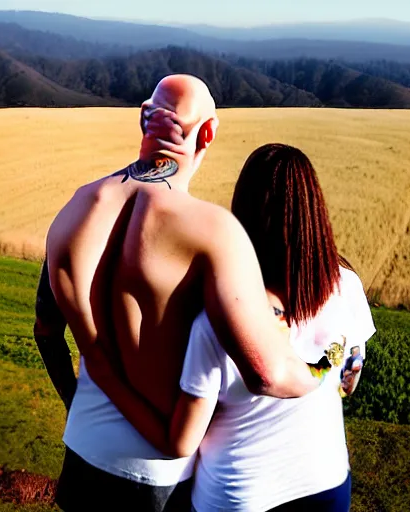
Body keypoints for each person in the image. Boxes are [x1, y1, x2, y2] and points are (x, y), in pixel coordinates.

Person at [34, 77, 319, 511]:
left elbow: (46, 331)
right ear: (207, 133)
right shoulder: (213, 233)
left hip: (82, 456)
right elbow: (267, 374)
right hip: (159, 482)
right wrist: (321, 374)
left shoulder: (75, 209)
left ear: (143, 120)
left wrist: (77, 403)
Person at [91, 144, 376, 511]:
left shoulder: (217, 319)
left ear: (241, 216)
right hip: (326, 483)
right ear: (315, 211)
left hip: (239, 495)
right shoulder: (346, 285)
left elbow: (182, 441)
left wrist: (106, 376)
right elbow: (348, 383)